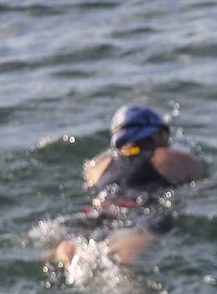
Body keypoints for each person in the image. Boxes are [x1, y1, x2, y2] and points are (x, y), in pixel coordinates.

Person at [52, 105, 205, 270]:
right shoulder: (174, 158)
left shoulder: (95, 167)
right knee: (122, 264)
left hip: (97, 212)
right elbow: (201, 189)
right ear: (156, 134)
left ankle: (66, 256)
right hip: (139, 212)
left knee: (71, 244)